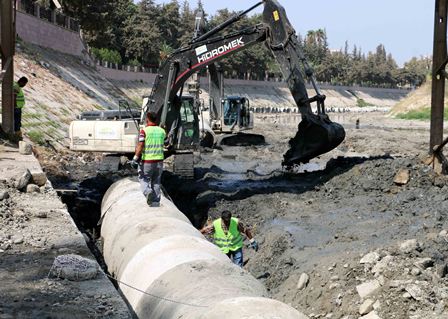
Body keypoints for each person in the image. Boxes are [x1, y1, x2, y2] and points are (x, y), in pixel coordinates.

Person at [131, 112, 166, 207]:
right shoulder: (162, 131)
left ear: (147, 119)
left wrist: (135, 158)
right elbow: (165, 142)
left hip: (147, 161)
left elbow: (141, 145)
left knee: (143, 178)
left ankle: (147, 191)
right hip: (159, 161)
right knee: (156, 181)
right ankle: (155, 201)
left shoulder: (144, 131)